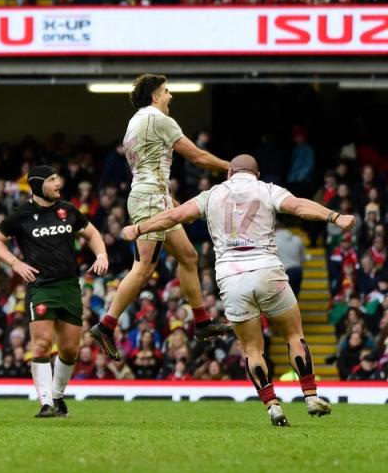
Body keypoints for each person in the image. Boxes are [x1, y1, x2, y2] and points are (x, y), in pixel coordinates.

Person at [122, 154, 352, 426]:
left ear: (230, 172)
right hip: (268, 272)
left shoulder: (212, 194)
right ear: (255, 173)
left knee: (252, 349)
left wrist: (139, 227)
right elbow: (299, 207)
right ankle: (311, 395)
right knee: (293, 334)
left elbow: (174, 216)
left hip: (231, 278)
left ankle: (272, 406)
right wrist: (334, 217)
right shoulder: (267, 189)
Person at [90, 74, 233, 361]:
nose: (170, 96)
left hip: (154, 198)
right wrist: (232, 168)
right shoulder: (158, 119)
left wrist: (173, 204)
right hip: (151, 200)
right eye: (166, 91)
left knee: (189, 257)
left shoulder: (134, 123)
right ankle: (106, 326)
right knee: (143, 268)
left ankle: (202, 322)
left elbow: (147, 169)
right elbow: (196, 156)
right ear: (155, 97)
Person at [0, 165, 109, 418]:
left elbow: (92, 232)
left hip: (69, 286)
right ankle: (45, 403)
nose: (58, 183)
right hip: (40, 287)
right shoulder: (21, 215)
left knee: (69, 350)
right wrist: (15, 263)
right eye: (52, 180)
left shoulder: (69, 210)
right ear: (37, 185)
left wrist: (102, 254)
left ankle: (58, 396)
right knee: (41, 345)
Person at [276, 217, 307, 298]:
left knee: (283, 300)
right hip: (297, 270)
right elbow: (303, 258)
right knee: (294, 298)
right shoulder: (297, 239)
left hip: (282, 272)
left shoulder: (272, 241)